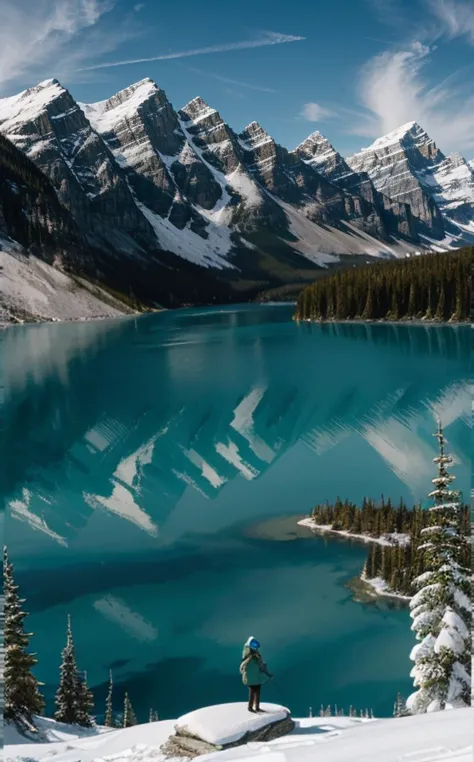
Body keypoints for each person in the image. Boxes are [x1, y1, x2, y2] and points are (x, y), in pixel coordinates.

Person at [239, 636, 273, 713]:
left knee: (254, 692)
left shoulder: (248, 656)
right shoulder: (254, 656)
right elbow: (261, 666)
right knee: (255, 692)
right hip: (256, 678)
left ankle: (253, 707)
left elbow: (242, 667)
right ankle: (253, 707)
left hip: (253, 679)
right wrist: (267, 674)